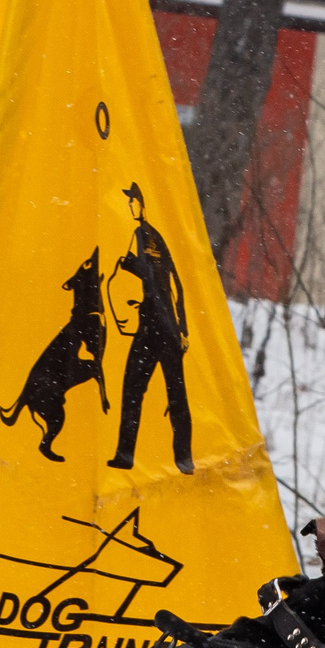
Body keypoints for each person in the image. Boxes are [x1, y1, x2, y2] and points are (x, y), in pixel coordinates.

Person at [106, 182, 193, 474]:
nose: (130, 206)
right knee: (172, 394)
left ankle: (128, 454)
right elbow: (174, 283)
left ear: (143, 205)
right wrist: (181, 327)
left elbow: (166, 281)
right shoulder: (153, 237)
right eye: (129, 202)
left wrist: (181, 327)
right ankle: (181, 459)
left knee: (140, 391)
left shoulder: (143, 235)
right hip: (161, 327)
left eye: (133, 202)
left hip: (155, 328)